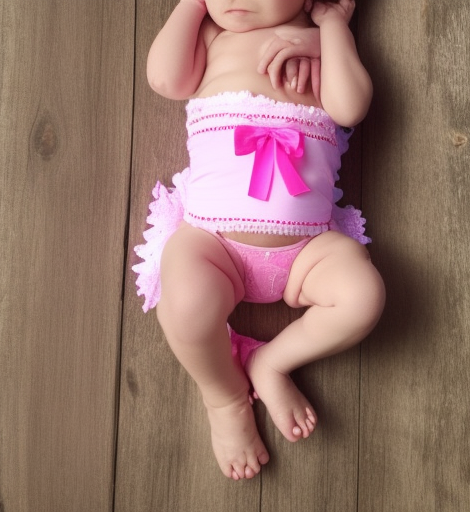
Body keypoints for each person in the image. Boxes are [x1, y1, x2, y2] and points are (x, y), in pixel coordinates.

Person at [133, 0, 385, 481]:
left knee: (363, 294)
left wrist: (332, 30)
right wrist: (190, 8)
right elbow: (166, 79)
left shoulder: (321, 48)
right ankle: (225, 396)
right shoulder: (212, 38)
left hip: (306, 252)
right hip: (214, 241)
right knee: (184, 303)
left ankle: (270, 362)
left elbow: (351, 105)